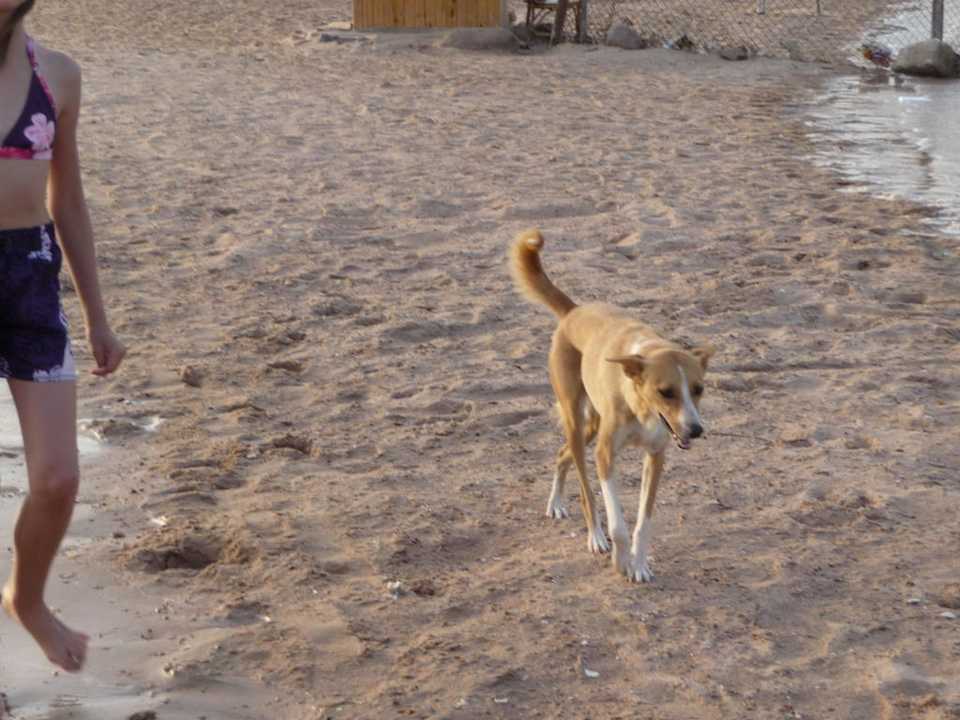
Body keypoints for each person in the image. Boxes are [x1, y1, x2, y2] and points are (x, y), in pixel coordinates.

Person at [0, 0, 126, 707]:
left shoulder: (59, 76)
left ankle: (26, 596)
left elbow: (68, 198)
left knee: (56, 478)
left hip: (31, 276)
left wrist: (98, 316)